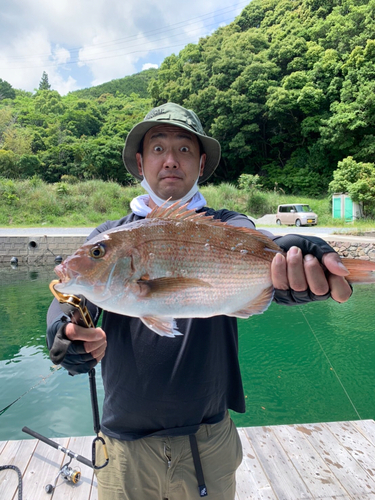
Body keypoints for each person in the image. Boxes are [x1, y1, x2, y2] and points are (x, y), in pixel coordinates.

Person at [46, 103, 352, 500]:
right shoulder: (110, 236)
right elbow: (69, 294)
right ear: (140, 162)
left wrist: (296, 265)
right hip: (125, 444)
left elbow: (267, 256)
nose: (170, 160)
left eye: (184, 149)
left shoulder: (229, 225)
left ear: (201, 161)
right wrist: (62, 330)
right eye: (158, 149)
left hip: (209, 440)